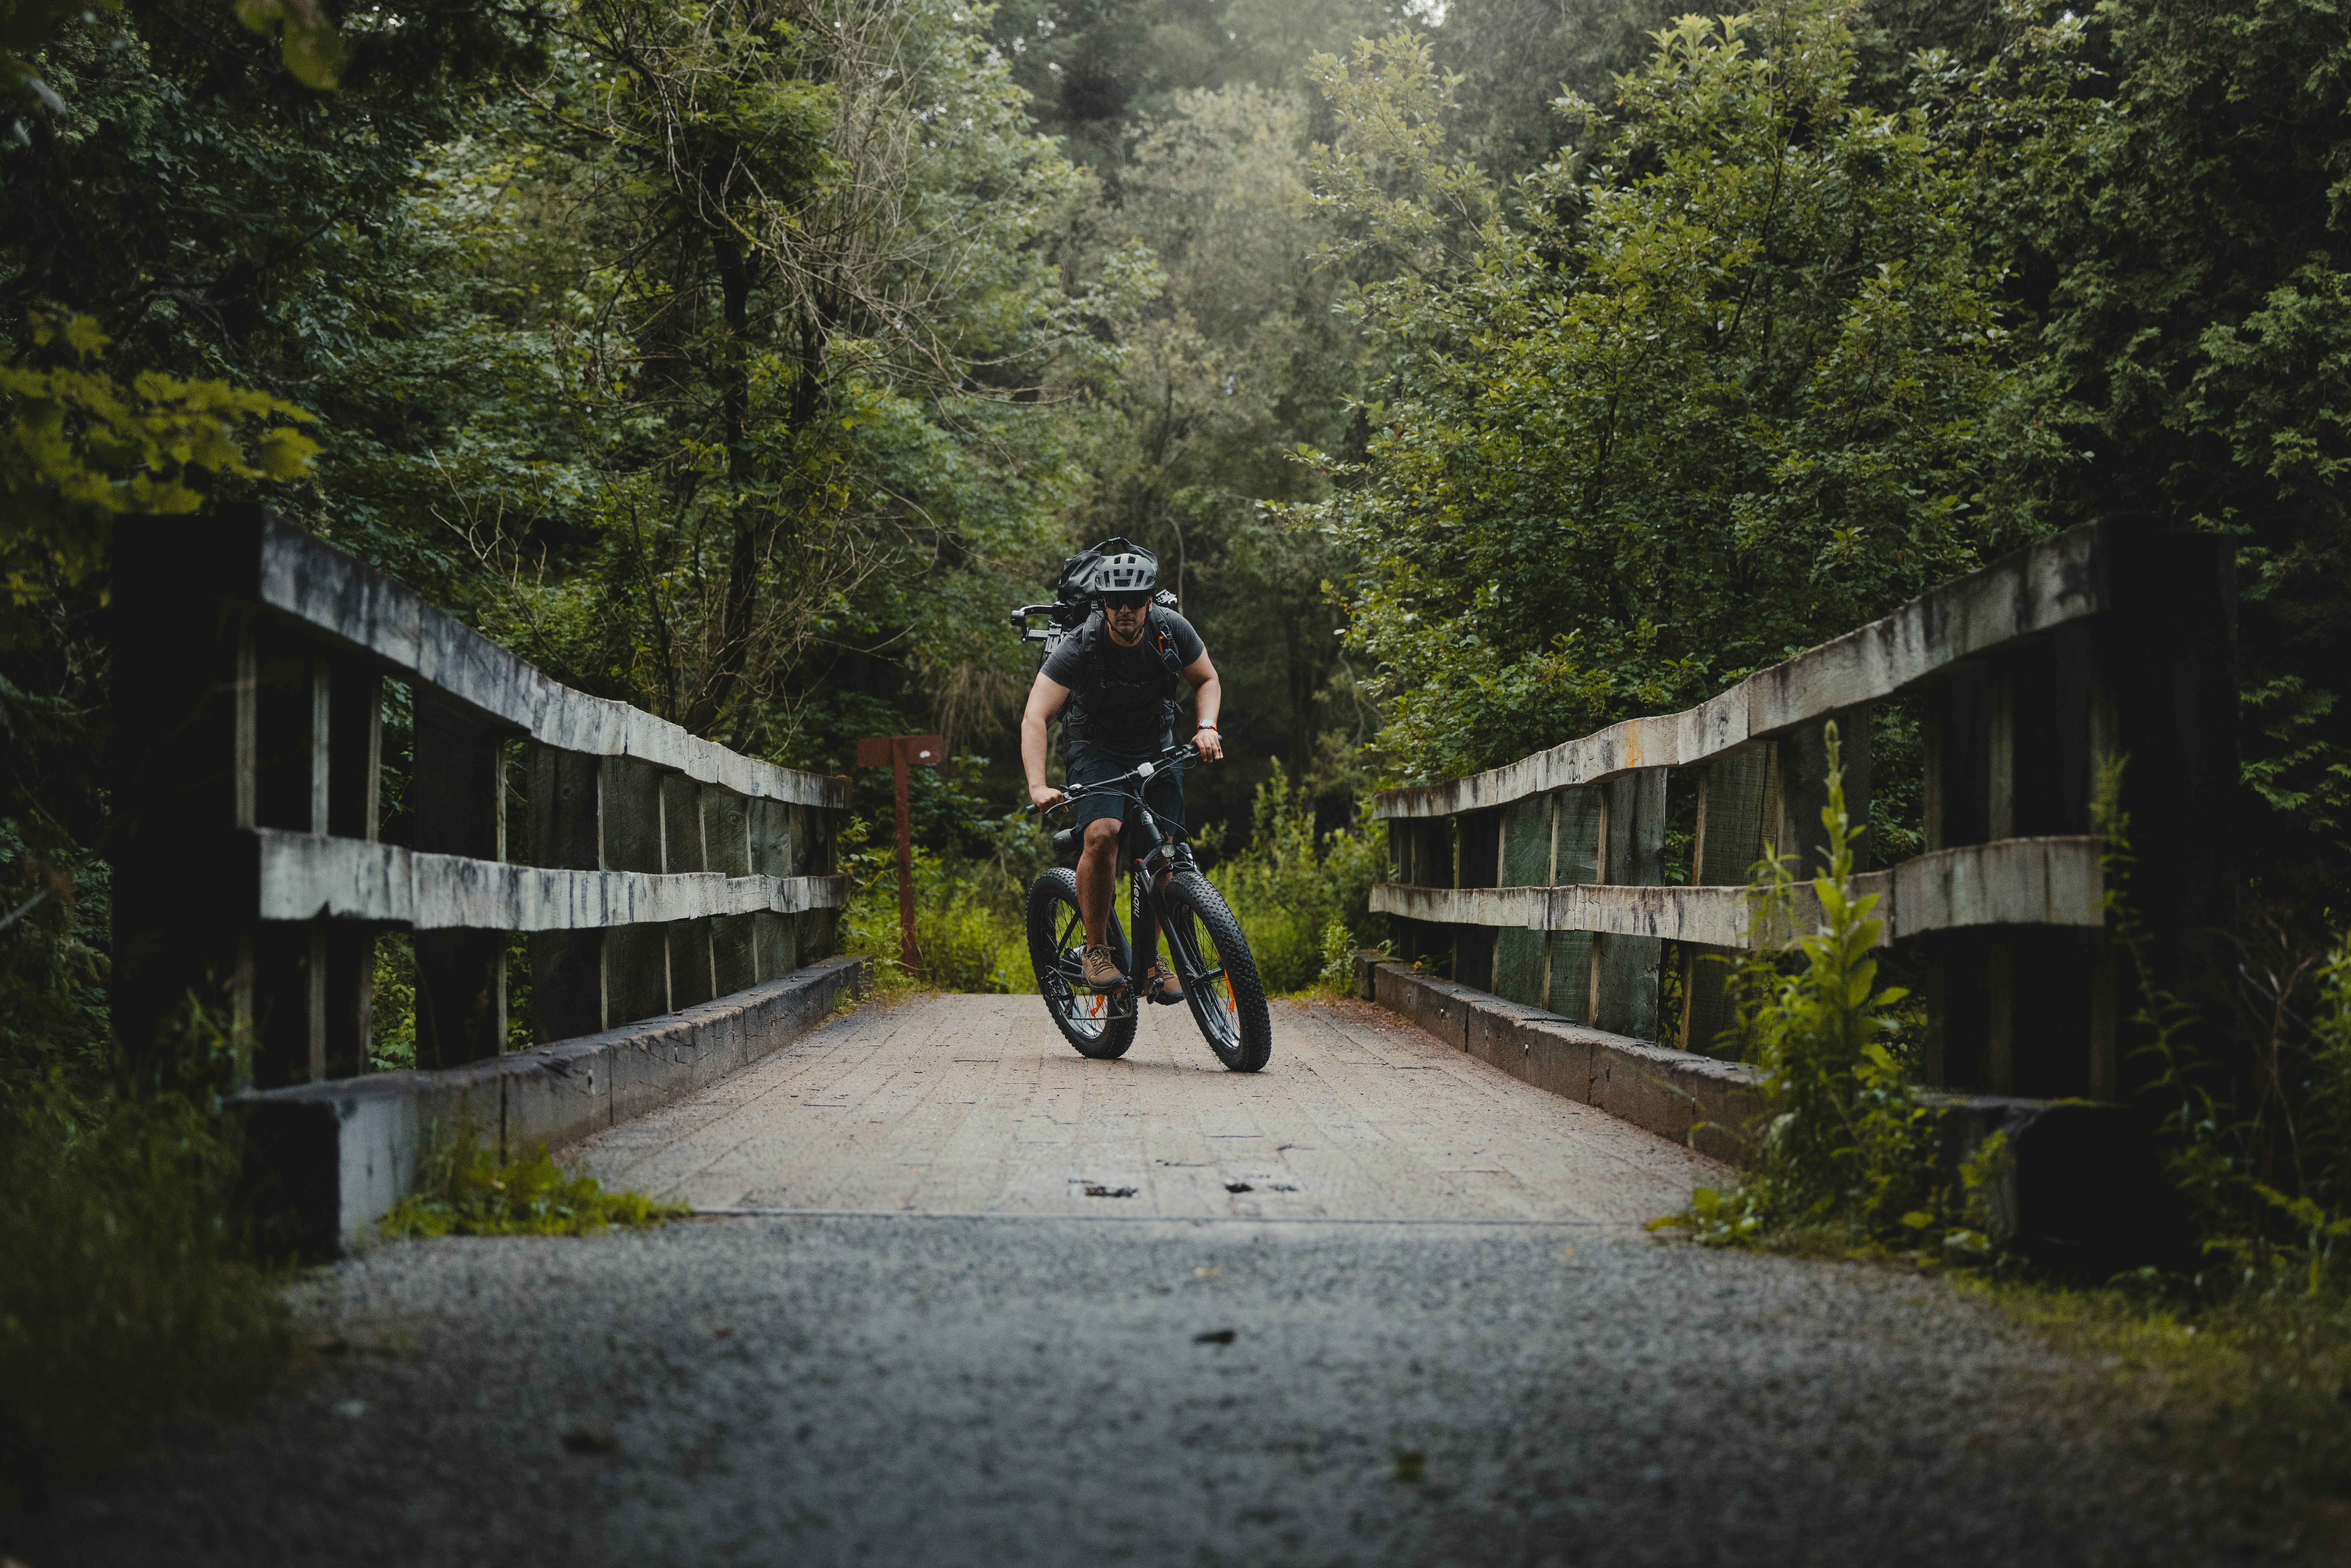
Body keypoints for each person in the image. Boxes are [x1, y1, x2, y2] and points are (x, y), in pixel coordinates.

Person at [1021, 540, 1223, 1002]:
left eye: (1135, 601)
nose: (1126, 610)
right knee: (1104, 833)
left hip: (1155, 745)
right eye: (1116, 601)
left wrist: (1207, 726)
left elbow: (1207, 678)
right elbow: (1036, 716)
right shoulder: (1081, 645)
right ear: (1103, 604)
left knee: (1166, 854)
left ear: (1150, 600)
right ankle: (1097, 950)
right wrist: (1038, 784)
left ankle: (1151, 963)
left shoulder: (1171, 632)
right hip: (1098, 750)